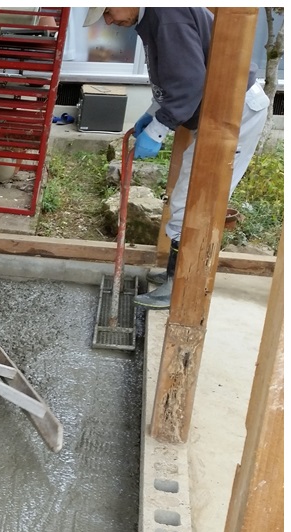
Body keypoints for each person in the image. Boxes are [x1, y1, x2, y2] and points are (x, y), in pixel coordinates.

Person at [83, 8, 270, 308]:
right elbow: (170, 77)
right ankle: (175, 272)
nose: (108, 21)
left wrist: (158, 130)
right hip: (218, 107)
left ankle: (181, 285)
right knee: (188, 194)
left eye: (107, 11)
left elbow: (188, 83)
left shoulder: (168, 15)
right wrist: (151, 115)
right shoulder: (154, 17)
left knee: (195, 195)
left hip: (235, 112)